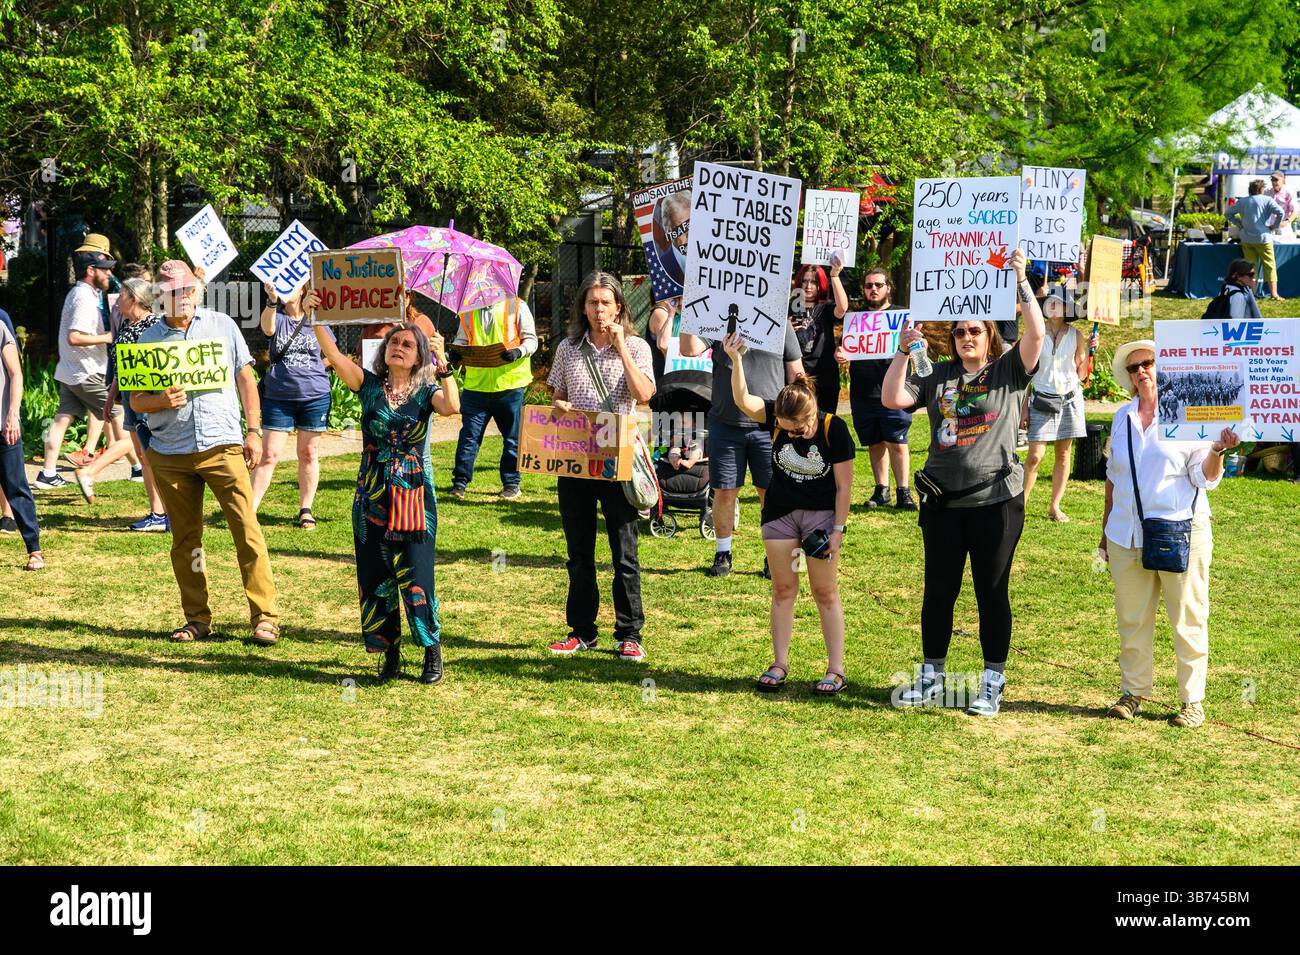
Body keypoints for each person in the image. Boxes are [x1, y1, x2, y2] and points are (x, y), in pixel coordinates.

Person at [882, 248, 1045, 718]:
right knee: (939, 590)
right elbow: (894, 397)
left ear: (989, 335)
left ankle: (992, 679)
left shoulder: (1008, 370)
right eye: (959, 331)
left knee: (990, 590)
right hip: (942, 504)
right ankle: (932, 674)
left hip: (996, 501)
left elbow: (1035, 333)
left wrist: (1019, 281)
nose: (966, 336)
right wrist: (901, 352)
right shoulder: (937, 374)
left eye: (975, 330)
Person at [131, 260, 280, 645]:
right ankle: (197, 618)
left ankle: (265, 617)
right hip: (171, 452)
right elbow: (136, 403)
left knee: (246, 531)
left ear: (195, 291)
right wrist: (160, 400)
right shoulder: (147, 342)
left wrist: (254, 430)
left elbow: (246, 379)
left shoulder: (222, 326)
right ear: (159, 298)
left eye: (184, 290)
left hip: (222, 445)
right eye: (169, 293)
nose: (178, 298)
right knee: (187, 542)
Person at [312, 308, 460, 685]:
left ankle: (431, 649)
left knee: (417, 576)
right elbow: (334, 355)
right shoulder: (370, 386)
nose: (399, 347)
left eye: (408, 344)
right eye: (394, 342)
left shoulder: (428, 392)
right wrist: (315, 318)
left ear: (419, 355)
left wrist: (444, 366)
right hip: (371, 494)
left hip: (413, 498)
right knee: (376, 576)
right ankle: (390, 651)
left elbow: (453, 407)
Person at [1099, 340, 1240, 729]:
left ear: (1164, 368)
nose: (1142, 371)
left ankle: (1192, 701)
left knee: (1188, 618)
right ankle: (1133, 692)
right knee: (1132, 618)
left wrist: (1217, 450)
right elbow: (1114, 478)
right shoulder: (1122, 416)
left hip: (1182, 530)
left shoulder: (1188, 414)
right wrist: (1104, 533)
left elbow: (1204, 477)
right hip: (1126, 534)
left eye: (1148, 363)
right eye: (1134, 368)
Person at [723, 335, 855, 695]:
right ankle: (779, 663)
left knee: (824, 592)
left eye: (799, 429)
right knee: (783, 589)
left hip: (821, 519)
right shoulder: (777, 419)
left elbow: (844, 486)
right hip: (779, 515)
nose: (793, 435)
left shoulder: (833, 429)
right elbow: (743, 400)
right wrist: (736, 360)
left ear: (812, 414)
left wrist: (838, 530)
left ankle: (836, 669)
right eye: (786, 429)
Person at [546, 271, 655, 661]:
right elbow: (559, 396)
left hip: (617, 459)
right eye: (592, 302)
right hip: (576, 460)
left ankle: (629, 632)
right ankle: (582, 631)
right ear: (583, 308)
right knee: (579, 552)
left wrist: (621, 346)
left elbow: (644, 395)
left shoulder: (638, 346)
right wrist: (560, 406)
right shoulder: (568, 349)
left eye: (605, 302)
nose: (598, 310)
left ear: (619, 307)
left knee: (623, 551)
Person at [681, 307, 804, 578]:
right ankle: (722, 553)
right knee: (724, 491)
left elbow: (796, 373)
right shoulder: (715, 318)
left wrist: (797, 417)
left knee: (770, 494)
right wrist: (690, 307)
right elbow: (688, 347)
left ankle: (775, 556)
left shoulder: (779, 321)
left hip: (770, 425)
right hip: (725, 422)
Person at [72, 278, 168, 530]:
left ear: (134, 299)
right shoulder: (125, 325)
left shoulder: (155, 326)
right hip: (128, 396)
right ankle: (157, 513)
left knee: (154, 457)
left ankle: (168, 512)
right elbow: (121, 366)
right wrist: (111, 395)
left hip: (149, 397)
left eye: (122, 294)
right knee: (142, 457)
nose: (117, 299)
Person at [34, 250, 120, 490]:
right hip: (88, 371)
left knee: (62, 420)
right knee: (123, 417)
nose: (110, 274)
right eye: (105, 270)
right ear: (91, 271)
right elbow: (74, 337)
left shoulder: (83, 293)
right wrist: (108, 336)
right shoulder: (83, 296)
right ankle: (137, 468)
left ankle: (48, 474)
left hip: (71, 371)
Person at [250, 282, 334, 527]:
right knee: (269, 455)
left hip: (315, 396)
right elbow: (267, 328)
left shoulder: (318, 319)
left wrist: (318, 367)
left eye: (291, 288)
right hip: (279, 397)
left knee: (308, 453)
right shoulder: (277, 316)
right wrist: (271, 300)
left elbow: (331, 351)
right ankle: (250, 509)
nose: (286, 292)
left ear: (303, 292)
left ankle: (305, 509)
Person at [837, 267, 916, 510]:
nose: (873, 289)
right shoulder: (856, 320)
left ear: (888, 288)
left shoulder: (902, 318)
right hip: (863, 392)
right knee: (874, 443)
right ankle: (882, 490)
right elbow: (847, 349)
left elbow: (916, 348)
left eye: (878, 285)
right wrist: (841, 354)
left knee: (897, 441)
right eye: (869, 285)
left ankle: (903, 491)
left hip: (893, 392)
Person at [447, 295, 538, 501]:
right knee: (469, 436)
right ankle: (459, 484)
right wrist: (456, 353)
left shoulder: (517, 305)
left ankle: (511, 485)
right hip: (476, 385)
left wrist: (518, 351)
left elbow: (531, 339)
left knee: (512, 439)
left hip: (510, 384)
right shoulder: (468, 310)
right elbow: (463, 339)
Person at [1022, 288, 1094, 522]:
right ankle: (1020, 504)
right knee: (1035, 455)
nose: (1053, 305)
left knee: (1063, 454)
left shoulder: (1077, 336)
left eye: (1059, 303)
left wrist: (1089, 352)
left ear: (1066, 309)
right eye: (1049, 302)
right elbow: (1025, 374)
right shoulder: (1034, 334)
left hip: (1069, 399)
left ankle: (1055, 506)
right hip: (1041, 398)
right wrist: (1024, 407)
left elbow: (1081, 375)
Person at [0, 316, 43, 570]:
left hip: (4, 425)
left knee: (16, 486)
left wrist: (13, 414)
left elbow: (16, 374)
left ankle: (34, 550)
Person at [789, 260, 848, 414]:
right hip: (796, 378)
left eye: (813, 282)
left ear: (820, 284)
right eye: (805, 281)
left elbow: (842, 308)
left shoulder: (825, 308)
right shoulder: (789, 308)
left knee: (823, 426)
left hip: (825, 378)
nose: (808, 286)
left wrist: (834, 276)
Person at [1225, 180, 1286, 301]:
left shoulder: (1242, 201)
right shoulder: (1267, 200)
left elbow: (1228, 213)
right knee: (1270, 266)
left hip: (1247, 239)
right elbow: (1281, 212)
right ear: (1261, 189)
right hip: (1264, 238)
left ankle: (1251, 294)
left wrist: (1239, 224)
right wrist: (1274, 226)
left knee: (1250, 267)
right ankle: (1274, 294)